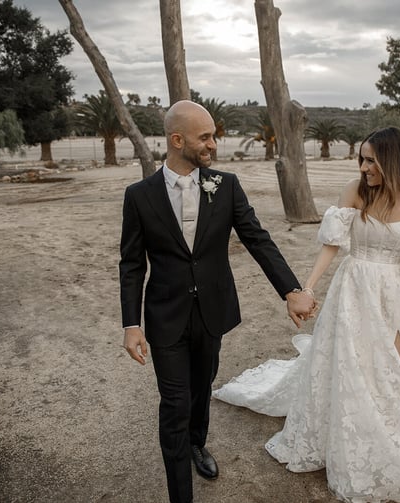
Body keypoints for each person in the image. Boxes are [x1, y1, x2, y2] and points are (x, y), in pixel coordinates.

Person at [213, 127, 400, 502]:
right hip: (353, 288)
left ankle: (398, 431)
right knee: (351, 362)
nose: (364, 166)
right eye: (361, 158)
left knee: (398, 366)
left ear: (392, 159)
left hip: (393, 292)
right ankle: (348, 429)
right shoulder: (356, 192)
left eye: (371, 159)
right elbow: (332, 245)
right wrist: (307, 287)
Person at [119, 100, 315, 503]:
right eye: (204, 137)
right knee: (173, 403)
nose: (213, 143)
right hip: (165, 316)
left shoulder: (225, 185)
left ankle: (196, 442)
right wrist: (131, 324)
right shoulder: (139, 196)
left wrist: (291, 290)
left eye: (213, 135)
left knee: (201, 386)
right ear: (177, 140)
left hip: (212, 311)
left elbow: (257, 239)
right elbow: (132, 264)